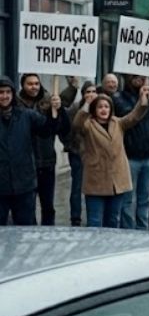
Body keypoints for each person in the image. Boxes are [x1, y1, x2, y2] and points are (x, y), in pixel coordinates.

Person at [73, 84, 149, 228]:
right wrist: (87, 103)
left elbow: (135, 116)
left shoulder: (118, 123)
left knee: (113, 220)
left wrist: (143, 99)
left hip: (117, 181)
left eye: (106, 106)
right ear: (94, 109)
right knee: (95, 222)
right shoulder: (88, 125)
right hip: (96, 181)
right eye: (100, 107)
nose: (104, 110)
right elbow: (77, 124)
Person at [0, 77, 64, 225]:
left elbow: (47, 129)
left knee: (25, 229)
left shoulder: (26, 115)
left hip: (24, 185)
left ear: (13, 94)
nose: (4, 96)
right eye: (1, 92)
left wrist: (55, 111)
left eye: (8, 92)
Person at [16, 73, 72, 224]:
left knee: (48, 205)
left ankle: (48, 233)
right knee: (27, 206)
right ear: (23, 85)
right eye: (30, 84)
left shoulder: (49, 101)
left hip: (46, 161)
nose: (34, 87)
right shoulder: (16, 104)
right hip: (25, 165)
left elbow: (63, 128)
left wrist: (59, 109)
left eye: (36, 83)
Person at [113, 75, 149, 229]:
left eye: (142, 77)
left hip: (148, 155)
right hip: (129, 156)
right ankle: (129, 232)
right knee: (127, 200)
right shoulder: (118, 98)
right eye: (134, 76)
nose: (139, 78)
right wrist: (141, 100)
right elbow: (130, 116)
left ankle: (143, 231)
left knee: (145, 199)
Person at [63, 80, 97, 226]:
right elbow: (70, 127)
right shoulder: (76, 108)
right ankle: (75, 217)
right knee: (77, 186)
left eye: (93, 91)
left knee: (93, 187)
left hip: (94, 153)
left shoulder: (100, 107)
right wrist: (70, 145)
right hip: (78, 153)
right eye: (88, 92)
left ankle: (92, 215)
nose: (91, 94)